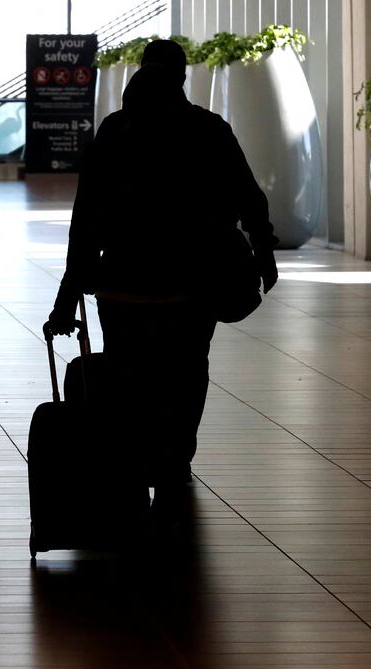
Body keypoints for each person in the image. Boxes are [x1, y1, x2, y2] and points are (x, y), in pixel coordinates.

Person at [45, 38, 279, 500]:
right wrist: (263, 252)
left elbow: (84, 224)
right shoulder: (209, 130)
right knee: (187, 370)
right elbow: (249, 196)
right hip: (193, 286)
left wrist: (66, 300)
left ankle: (134, 457)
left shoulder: (115, 133)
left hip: (122, 289)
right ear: (184, 76)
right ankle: (174, 459)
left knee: (128, 372)